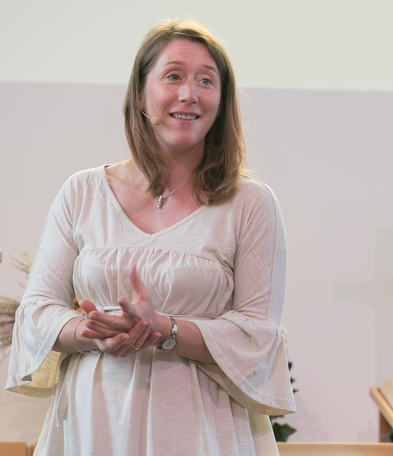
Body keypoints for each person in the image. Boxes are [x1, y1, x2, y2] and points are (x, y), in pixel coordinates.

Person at [6, 19, 295, 455]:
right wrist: (92, 330)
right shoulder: (82, 191)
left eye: (206, 81)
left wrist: (163, 329)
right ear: (141, 94)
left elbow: (257, 335)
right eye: (174, 76)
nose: (189, 94)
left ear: (221, 102)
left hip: (201, 429)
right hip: (93, 421)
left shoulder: (250, 202)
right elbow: (36, 313)